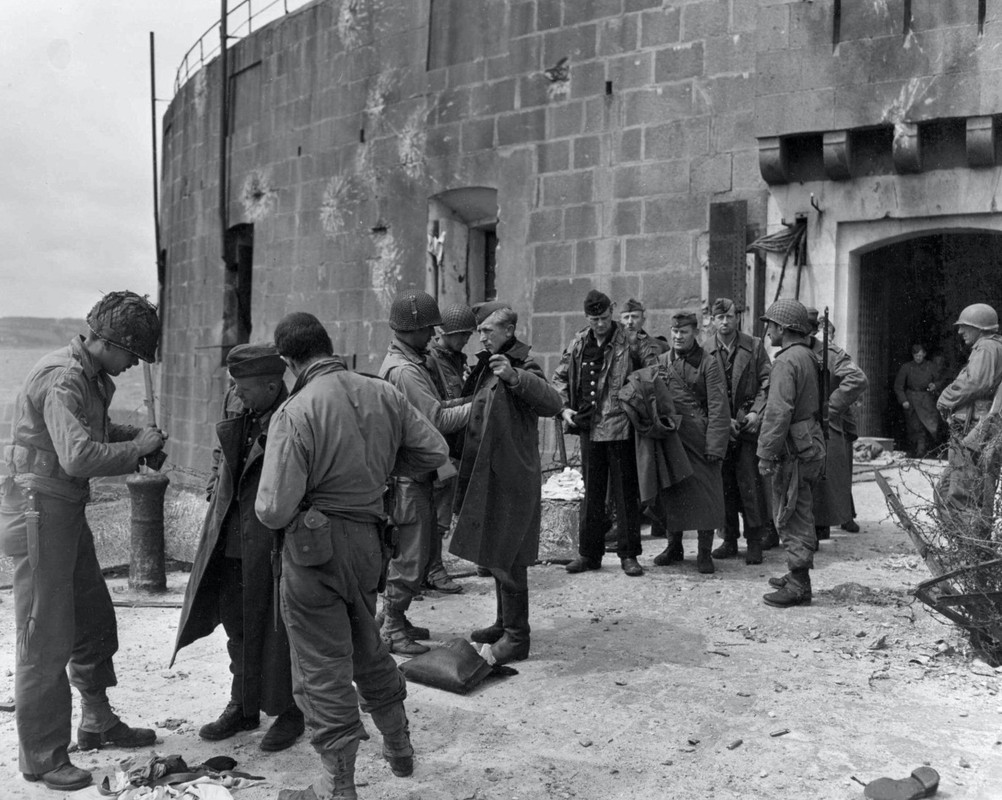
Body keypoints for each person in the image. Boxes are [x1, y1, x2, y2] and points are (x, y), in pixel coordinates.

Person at [255, 312, 449, 800]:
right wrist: (379, 470)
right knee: (368, 643)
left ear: (287, 360)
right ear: (328, 345)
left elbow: (273, 510)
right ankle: (400, 748)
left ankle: (337, 786)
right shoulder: (383, 391)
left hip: (312, 550)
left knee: (322, 667)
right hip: (369, 543)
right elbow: (434, 450)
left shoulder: (295, 411)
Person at [0, 291, 166, 791]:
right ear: (109, 341)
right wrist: (136, 448)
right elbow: (75, 455)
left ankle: (96, 719)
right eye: (133, 354)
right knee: (45, 637)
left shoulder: (92, 376)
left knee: (91, 617)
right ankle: (43, 758)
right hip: (39, 509)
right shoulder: (64, 377)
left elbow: (87, 432)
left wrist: (131, 436)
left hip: (63, 508)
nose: (135, 365)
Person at [171, 344, 304, 752]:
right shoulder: (239, 399)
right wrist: (215, 485)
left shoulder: (295, 413)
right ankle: (243, 704)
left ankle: (288, 712)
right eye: (234, 387)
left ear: (270, 385)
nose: (236, 395)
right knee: (236, 624)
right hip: (230, 533)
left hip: (272, 537)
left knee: (279, 630)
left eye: (243, 388)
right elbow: (221, 450)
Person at [449, 306, 562, 664]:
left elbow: (553, 402)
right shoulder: (487, 363)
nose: (481, 337)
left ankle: (517, 637)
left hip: (514, 474)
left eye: (488, 330)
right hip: (491, 472)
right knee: (497, 551)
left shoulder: (522, 365)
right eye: (479, 331)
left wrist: (514, 378)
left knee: (511, 556)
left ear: (509, 329)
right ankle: (503, 623)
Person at [378, 291, 471, 654]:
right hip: (408, 477)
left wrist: (465, 400)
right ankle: (391, 628)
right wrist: (479, 407)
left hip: (414, 472)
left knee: (412, 552)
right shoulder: (405, 371)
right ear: (412, 330)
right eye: (428, 329)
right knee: (411, 556)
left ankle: (397, 619)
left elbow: (436, 406)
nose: (434, 336)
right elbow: (437, 420)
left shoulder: (411, 363)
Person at [552, 290, 657, 577]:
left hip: (621, 425)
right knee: (592, 493)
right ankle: (589, 554)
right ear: (587, 317)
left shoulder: (631, 339)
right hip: (588, 426)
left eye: (604, 318)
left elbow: (654, 372)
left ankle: (628, 555)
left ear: (611, 312)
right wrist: (563, 409)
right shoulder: (578, 342)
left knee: (625, 493)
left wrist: (630, 398)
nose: (599, 324)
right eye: (594, 319)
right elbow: (560, 376)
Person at [757, 299, 826, 608]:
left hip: (793, 447)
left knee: (791, 511)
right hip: (809, 441)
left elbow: (777, 413)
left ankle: (799, 583)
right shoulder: (808, 355)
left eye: (770, 325)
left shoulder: (786, 361)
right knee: (801, 507)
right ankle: (798, 576)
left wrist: (765, 453)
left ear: (782, 329)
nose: (767, 330)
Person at [651, 311, 730, 574]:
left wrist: (715, 446)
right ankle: (674, 547)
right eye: (674, 332)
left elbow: (719, 408)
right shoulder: (661, 361)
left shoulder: (709, 363)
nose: (677, 336)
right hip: (673, 441)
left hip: (700, 439)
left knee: (706, 496)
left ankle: (704, 552)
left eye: (683, 332)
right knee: (673, 493)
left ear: (694, 333)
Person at [704, 298, 772, 565]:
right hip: (722, 429)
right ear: (712, 320)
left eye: (729, 317)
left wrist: (757, 411)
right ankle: (729, 539)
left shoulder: (754, 346)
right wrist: (721, 419)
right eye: (719, 317)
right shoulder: (705, 349)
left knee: (750, 485)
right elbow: (702, 391)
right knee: (724, 486)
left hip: (748, 428)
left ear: (737, 318)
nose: (724, 322)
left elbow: (767, 381)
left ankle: (754, 541)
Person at [423, 303, 478, 595]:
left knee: (442, 509)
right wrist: (476, 404)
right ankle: (432, 569)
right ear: (446, 333)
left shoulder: (455, 359)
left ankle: (429, 567)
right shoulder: (432, 362)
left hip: (452, 446)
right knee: (438, 514)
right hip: (437, 447)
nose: (467, 339)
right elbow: (435, 410)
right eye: (463, 335)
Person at [935, 303, 1002, 536]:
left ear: (979, 328)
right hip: (977, 432)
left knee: (963, 495)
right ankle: (967, 547)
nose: (960, 332)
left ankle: (970, 552)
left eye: (965, 327)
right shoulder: (991, 347)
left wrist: (945, 398)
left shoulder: (986, 348)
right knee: (952, 491)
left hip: (974, 432)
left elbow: (975, 382)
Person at [807, 309, 867, 540]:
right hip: (820, 421)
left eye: (830, 334)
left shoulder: (833, 354)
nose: (827, 339)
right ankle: (826, 520)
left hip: (835, 422)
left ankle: (841, 516)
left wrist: (830, 408)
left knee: (837, 473)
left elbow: (854, 381)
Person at [894, 344, 941, 458]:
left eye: (920, 355)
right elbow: (898, 386)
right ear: (913, 355)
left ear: (924, 354)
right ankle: (918, 451)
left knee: (930, 426)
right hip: (912, 400)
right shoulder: (906, 367)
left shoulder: (931, 366)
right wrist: (903, 400)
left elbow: (940, 381)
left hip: (926, 400)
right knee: (915, 426)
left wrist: (934, 385)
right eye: (916, 355)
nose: (918, 358)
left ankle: (926, 451)